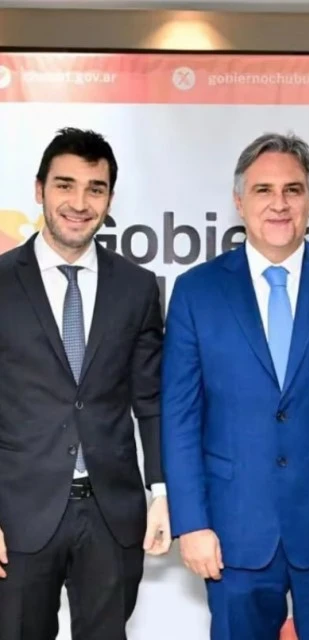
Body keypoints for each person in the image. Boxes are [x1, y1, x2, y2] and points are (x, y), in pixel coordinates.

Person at [161, 132, 309, 640]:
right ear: (239, 201)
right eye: (263, 190)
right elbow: (180, 418)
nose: (279, 204)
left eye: (292, 190)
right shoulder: (196, 291)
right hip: (232, 534)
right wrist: (192, 523)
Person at [0, 127, 171, 640]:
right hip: (18, 516)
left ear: (110, 199)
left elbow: (151, 399)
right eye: (65, 185)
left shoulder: (137, 287)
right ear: (39, 190)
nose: (79, 203)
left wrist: (162, 491)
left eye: (95, 189)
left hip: (112, 515)